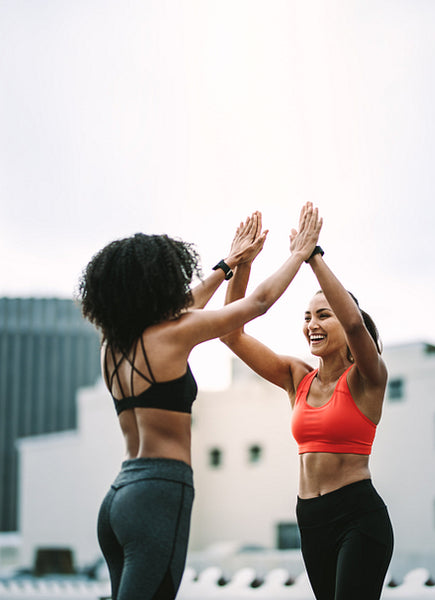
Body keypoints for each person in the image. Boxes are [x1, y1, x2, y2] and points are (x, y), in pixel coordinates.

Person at [77, 203, 322, 600]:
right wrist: (298, 254)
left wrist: (229, 264)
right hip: (158, 494)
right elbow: (256, 303)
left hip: (118, 497)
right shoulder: (174, 334)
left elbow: (184, 307)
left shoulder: (112, 346)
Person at [220, 206, 394, 600]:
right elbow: (230, 334)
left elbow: (354, 324)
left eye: (323, 315)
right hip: (310, 518)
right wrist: (242, 266)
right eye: (307, 317)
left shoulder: (369, 377)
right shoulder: (297, 377)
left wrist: (312, 257)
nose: (312, 324)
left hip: (358, 516)